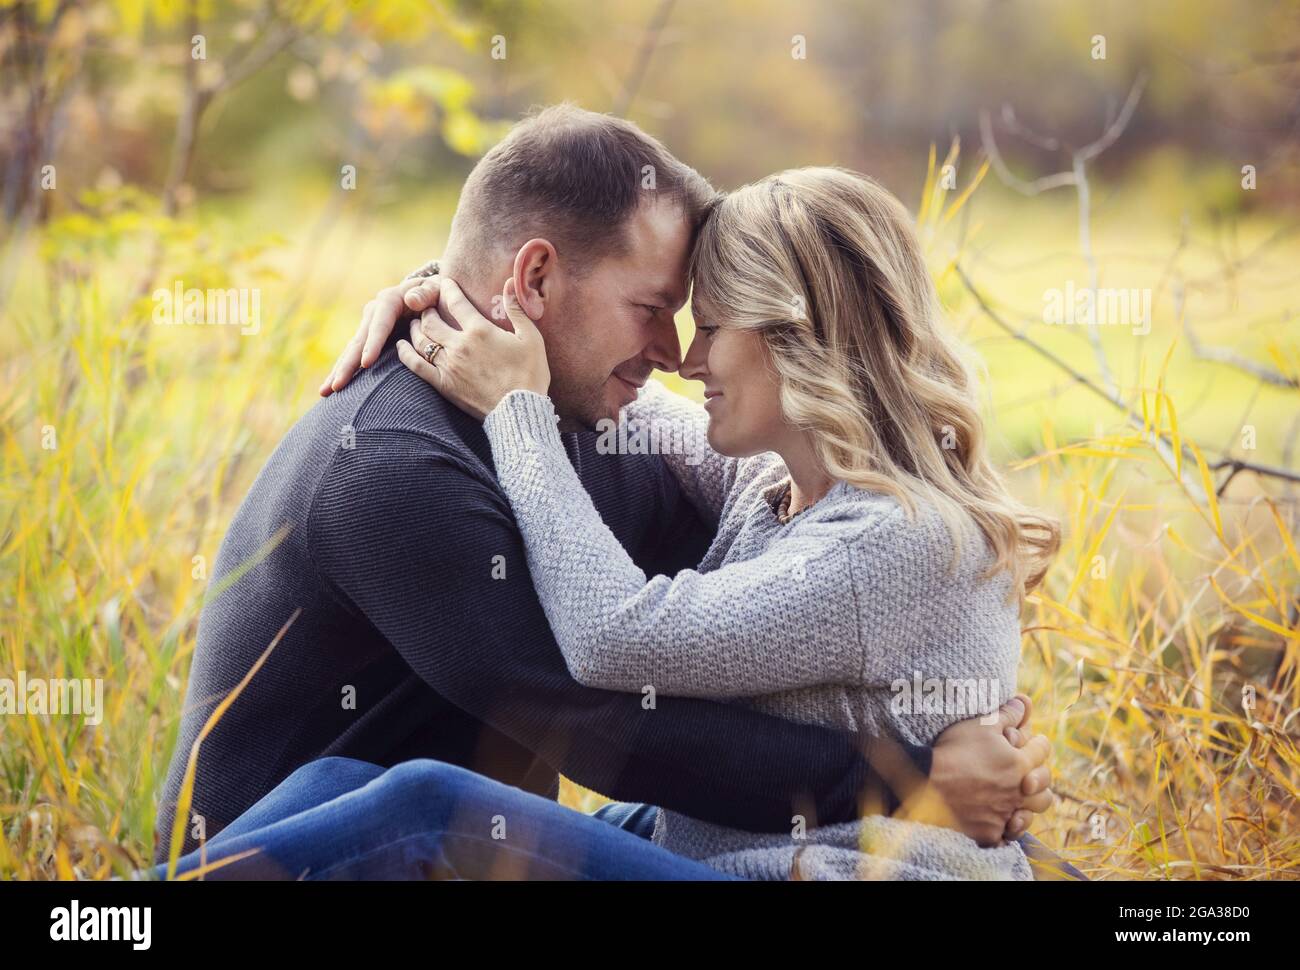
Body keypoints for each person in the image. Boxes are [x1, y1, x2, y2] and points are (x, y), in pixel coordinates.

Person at [153, 105, 1057, 879]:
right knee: (386, 796)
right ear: (534, 278)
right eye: (655, 308)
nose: (676, 355)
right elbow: (593, 715)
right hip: (315, 851)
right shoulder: (392, 462)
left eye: (703, 321)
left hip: (799, 861)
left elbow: (641, 634)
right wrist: (918, 772)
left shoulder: (587, 423)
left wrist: (944, 778)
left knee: (425, 802)